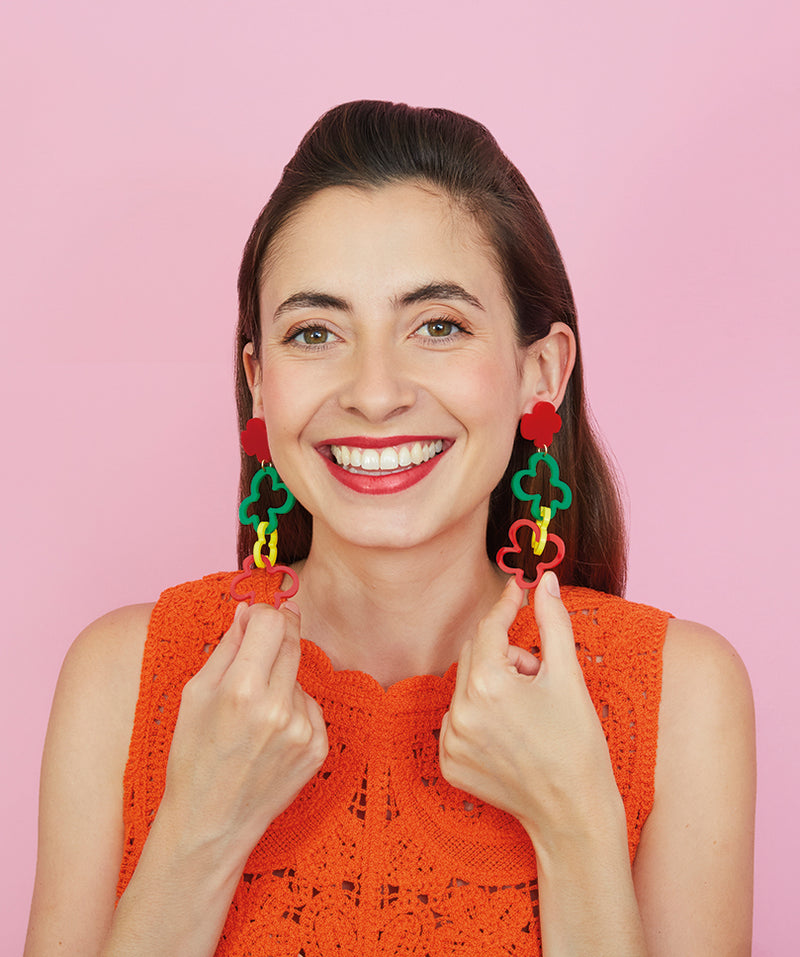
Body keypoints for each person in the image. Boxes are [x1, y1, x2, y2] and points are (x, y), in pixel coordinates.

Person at [24, 101, 756, 956]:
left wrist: (575, 824)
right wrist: (197, 833)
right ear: (259, 382)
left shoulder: (683, 695)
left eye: (438, 325)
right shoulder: (120, 679)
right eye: (315, 332)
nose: (374, 393)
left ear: (540, 371)